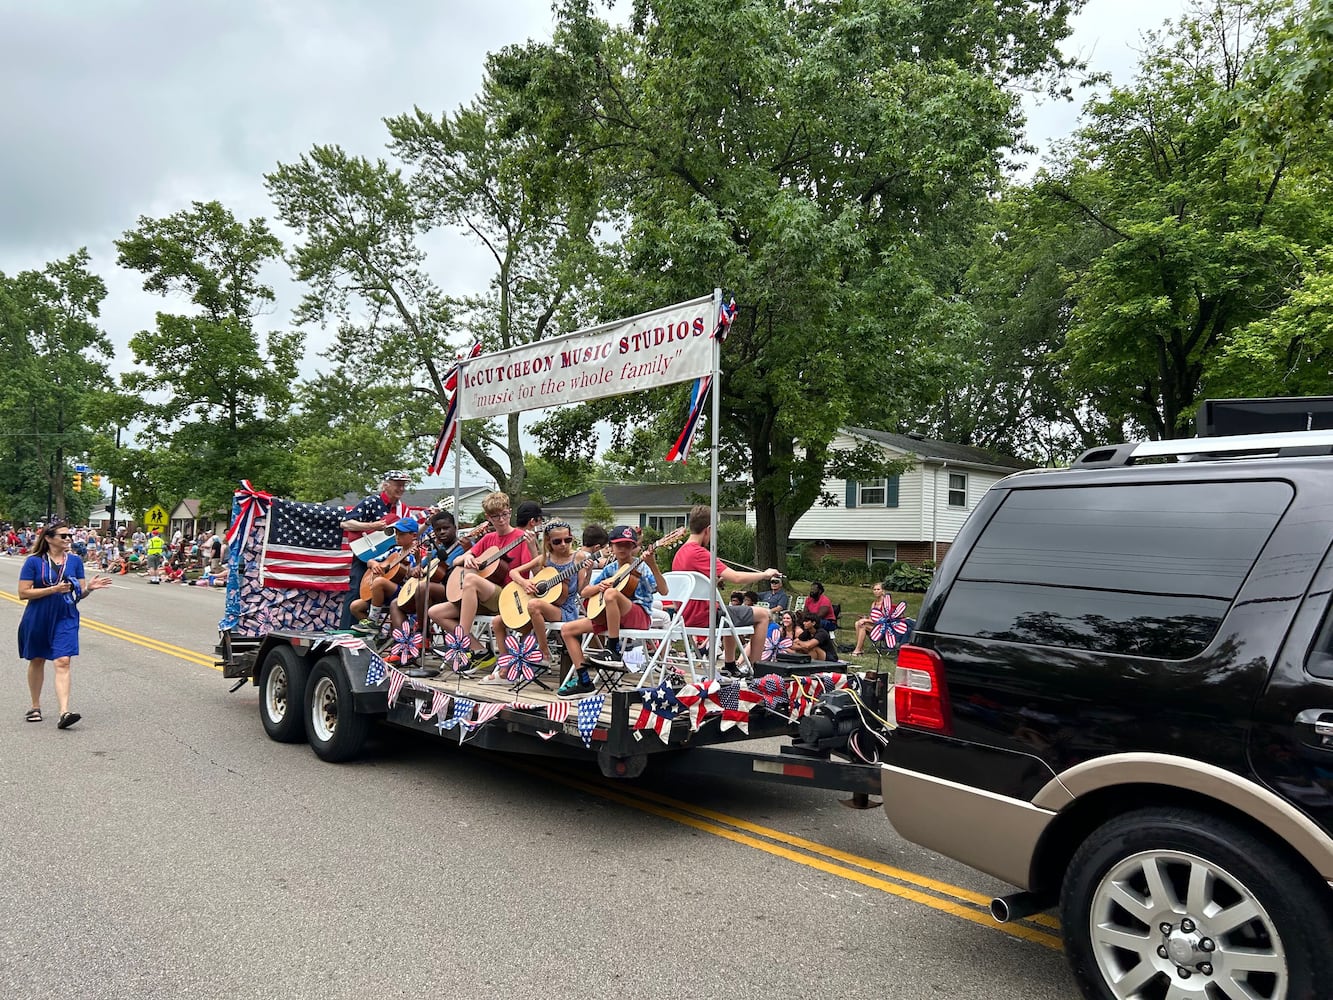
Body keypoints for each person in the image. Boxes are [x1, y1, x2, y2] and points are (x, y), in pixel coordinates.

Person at [428, 494, 540, 673]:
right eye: (496, 516)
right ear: (488, 518)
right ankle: (479, 651)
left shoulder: (521, 537)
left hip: (509, 596)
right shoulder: (488, 539)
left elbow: (536, 572)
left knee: (471, 579)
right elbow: (457, 560)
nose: (501, 520)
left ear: (509, 512)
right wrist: (469, 557)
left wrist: (533, 548)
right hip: (484, 597)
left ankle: (461, 644)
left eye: (504, 514)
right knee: (435, 612)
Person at [17, 520, 112, 728]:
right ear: (49, 538)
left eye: (69, 536)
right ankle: (35, 705)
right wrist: (51, 590)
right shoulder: (34, 562)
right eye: (63, 536)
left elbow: (79, 593)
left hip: (65, 615)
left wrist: (90, 589)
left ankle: (64, 712)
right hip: (39, 615)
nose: (68, 539)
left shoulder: (75, 561)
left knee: (63, 661)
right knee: (38, 659)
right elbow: (23, 593)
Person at [558, 525, 666, 697]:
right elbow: (584, 592)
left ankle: (613, 649)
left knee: (610, 594)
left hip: (638, 615)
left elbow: (664, 590)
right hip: (612, 616)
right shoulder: (610, 569)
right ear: (611, 547)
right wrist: (596, 583)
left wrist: (653, 565)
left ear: (634, 547)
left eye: (627, 545)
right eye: (618, 544)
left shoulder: (642, 567)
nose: (623, 548)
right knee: (567, 630)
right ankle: (584, 681)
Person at [671, 505, 779, 674]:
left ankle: (730, 665)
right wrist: (765, 575)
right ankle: (757, 669)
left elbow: (695, 585)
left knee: (730, 612)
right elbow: (736, 578)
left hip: (685, 617)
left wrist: (714, 580)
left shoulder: (680, 553)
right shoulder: (700, 553)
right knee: (763, 615)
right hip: (706, 617)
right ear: (709, 530)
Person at [484, 519, 589, 684]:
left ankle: (544, 652)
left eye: (567, 540)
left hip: (564, 609)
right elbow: (514, 572)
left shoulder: (578, 557)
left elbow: (583, 590)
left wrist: (588, 572)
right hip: (540, 610)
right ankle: (505, 667)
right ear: (549, 542)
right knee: (497, 621)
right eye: (557, 541)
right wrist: (525, 583)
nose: (563, 544)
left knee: (534, 605)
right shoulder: (545, 559)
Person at [339, 471, 412, 628]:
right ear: (386, 485)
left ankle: (372, 631)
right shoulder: (372, 502)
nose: (401, 488)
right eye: (398, 484)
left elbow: (409, 534)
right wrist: (371, 526)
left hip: (387, 559)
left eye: (403, 485)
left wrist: (427, 521)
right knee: (356, 591)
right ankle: (346, 631)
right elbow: (345, 523)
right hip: (365, 555)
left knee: (374, 594)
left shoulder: (403, 509)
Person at [350, 518, 424, 636]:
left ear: (414, 535)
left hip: (405, 593)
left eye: (402, 534)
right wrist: (374, 565)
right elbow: (371, 561)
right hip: (384, 594)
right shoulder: (395, 550)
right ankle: (377, 635)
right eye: (396, 534)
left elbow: (420, 573)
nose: (397, 537)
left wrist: (418, 559)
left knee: (379, 582)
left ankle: (372, 620)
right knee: (355, 606)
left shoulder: (419, 552)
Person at [850, 582, 891, 656]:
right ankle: (860, 648)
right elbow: (872, 618)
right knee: (857, 623)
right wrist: (865, 618)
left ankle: (857, 650)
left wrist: (866, 620)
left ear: (883, 591)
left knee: (863, 625)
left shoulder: (885, 603)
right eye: (874, 589)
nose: (876, 591)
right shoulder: (874, 603)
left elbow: (882, 619)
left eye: (878, 589)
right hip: (875, 626)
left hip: (884, 629)